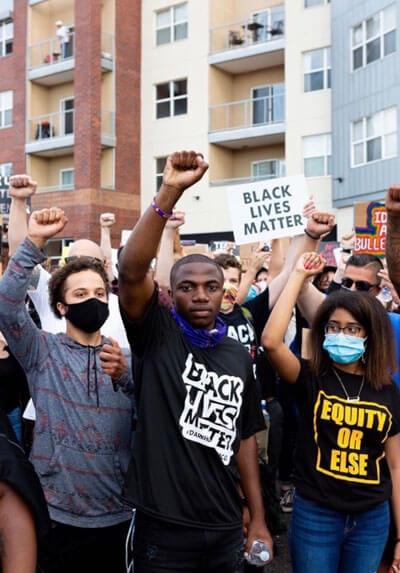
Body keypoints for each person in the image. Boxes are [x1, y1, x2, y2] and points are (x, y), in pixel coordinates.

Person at [119, 150, 273, 572]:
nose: (201, 294)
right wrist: (169, 190)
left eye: (211, 285)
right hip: (164, 527)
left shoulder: (236, 355)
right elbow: (131, 270)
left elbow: (243, 439)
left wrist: (256, 516)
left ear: (226, 290)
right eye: (187, 286)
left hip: (223, 525)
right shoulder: (156, 334)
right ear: (171, 292)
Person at [0, 207, 135, 573]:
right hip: (53, 512)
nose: (92, 299)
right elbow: (7, 304)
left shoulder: (127, 359)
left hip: (117, 515)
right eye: (80, 293)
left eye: (98, 292)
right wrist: (34, 242)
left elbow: (149, 410)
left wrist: (124, 375)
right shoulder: (42, 351)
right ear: (61, 306)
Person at [262, 252, 400, 573]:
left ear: (370, 336)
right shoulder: (310, 378)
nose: (342, 335)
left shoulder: (388, 392)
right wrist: (297, 276)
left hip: (371, 518)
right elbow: (271, 341)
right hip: (316, 514)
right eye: (334, 327)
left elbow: (396, 465)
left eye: (353, 329)